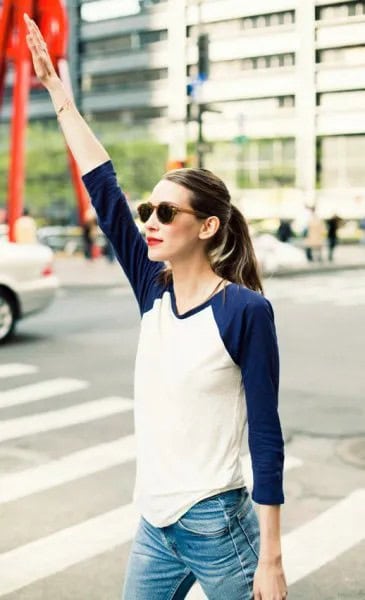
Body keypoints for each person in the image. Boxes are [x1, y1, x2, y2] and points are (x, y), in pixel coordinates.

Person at [24, 14, 288, 600]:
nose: (151, 221)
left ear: (208, 226)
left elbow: (266, 437)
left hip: (218, 525)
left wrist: (271, 559)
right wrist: (57, 93)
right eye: (151, 209)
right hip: (155, 524)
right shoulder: (154, 290)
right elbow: (103, 187)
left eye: (169, 213)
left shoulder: (245, 311)